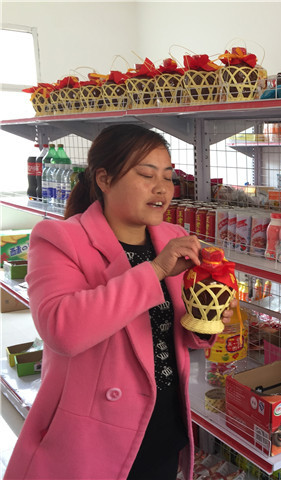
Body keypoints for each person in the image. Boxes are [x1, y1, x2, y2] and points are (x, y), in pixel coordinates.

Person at [5, 124, 236, 480]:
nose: (162, 188)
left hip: (163, 427)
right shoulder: (60, 238)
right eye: (146, 174)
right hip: (94, 440)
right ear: (104, 179)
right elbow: (63, 330)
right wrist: (155, 270)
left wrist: (208, 317)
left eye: (169, 177)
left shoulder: (172, 238)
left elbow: (172, 336)